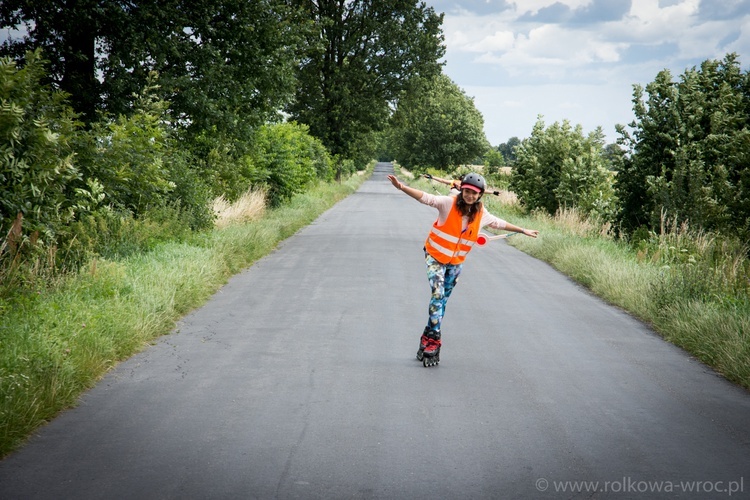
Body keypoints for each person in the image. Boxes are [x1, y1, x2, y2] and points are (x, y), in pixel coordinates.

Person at [387, 171, 539, 367]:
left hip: (456, 263)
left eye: (474, 193)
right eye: (467, 191)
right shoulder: (448, 203)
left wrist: (522, 230)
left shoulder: (481, 213)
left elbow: (499, 223)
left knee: (442, 302)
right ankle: (434, 340)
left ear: (480, 195)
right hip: (435, 257)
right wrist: (402, 188)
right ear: (461, 190)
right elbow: (426, 198)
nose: (470, 196)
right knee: (437, 295)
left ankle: (426, 336)